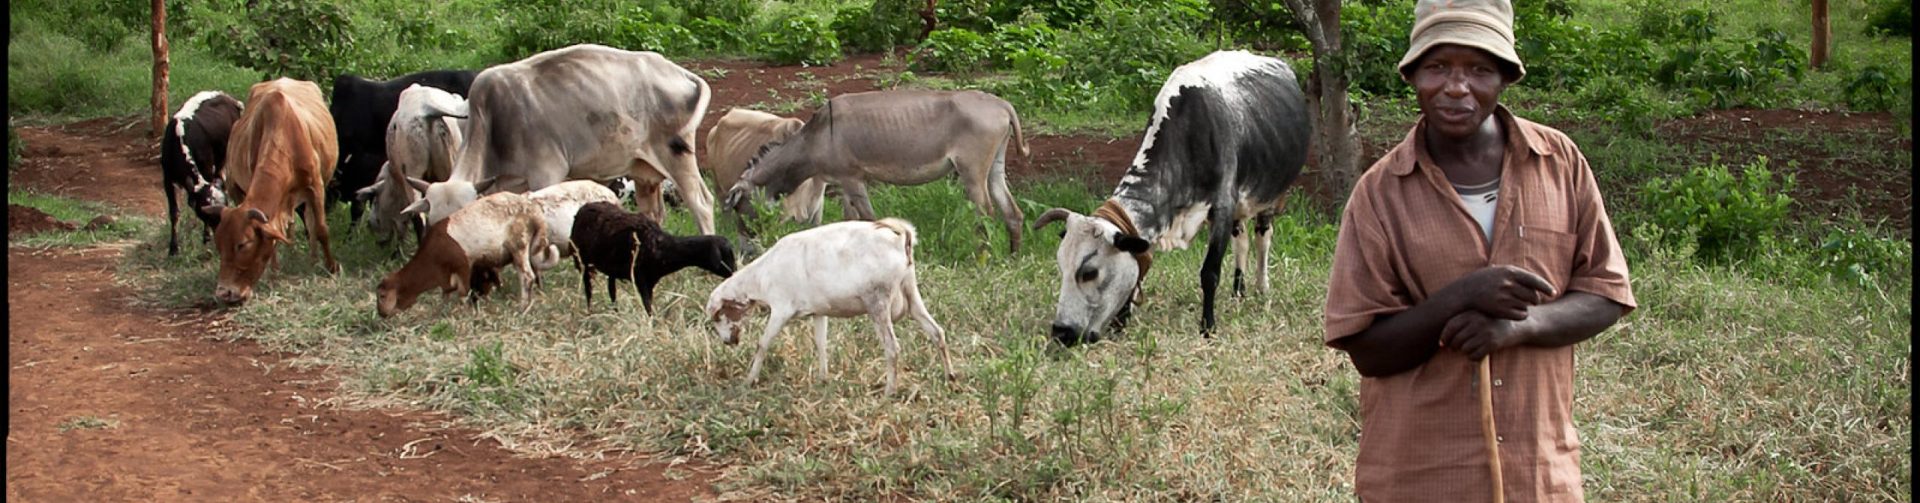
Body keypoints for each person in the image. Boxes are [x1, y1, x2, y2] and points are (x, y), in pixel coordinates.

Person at [1322, 0, 1637, 501]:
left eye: (1479, 68)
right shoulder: (1379, 194)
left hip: (1539, 474)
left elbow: (1606, 293)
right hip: (1420, 475)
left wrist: (1522, 326)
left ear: (1506, 77)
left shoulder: (1560, 164)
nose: (1456, 86)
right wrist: (1461, 296)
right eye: (1437, 66)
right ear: (1412, 75)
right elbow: (1368, 352)